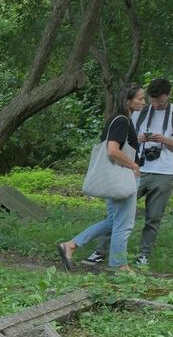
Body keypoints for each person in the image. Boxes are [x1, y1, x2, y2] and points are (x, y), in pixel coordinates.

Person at [84, 77, 173, 268]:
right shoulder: (138, 112)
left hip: (164, 172)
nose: (154, 104)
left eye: (159, 100)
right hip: (135, 170)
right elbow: (120, 142)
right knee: (117, 214)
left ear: (168, 95)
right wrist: (140, 140)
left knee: (153, 217)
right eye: (151, 99)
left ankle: (143, 255)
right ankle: (100, 251)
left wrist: (164, 140)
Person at [58, 84, 147, 274]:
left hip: (113, 179)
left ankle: (70, 246)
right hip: (122, 179)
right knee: (124, 225)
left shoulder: (117, 119)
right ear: (127, 100)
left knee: (112, 222)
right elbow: (113, 150)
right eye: (140, 98)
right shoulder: (122, 120)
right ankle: (119, 265)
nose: (143, 102)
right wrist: (133, 165)